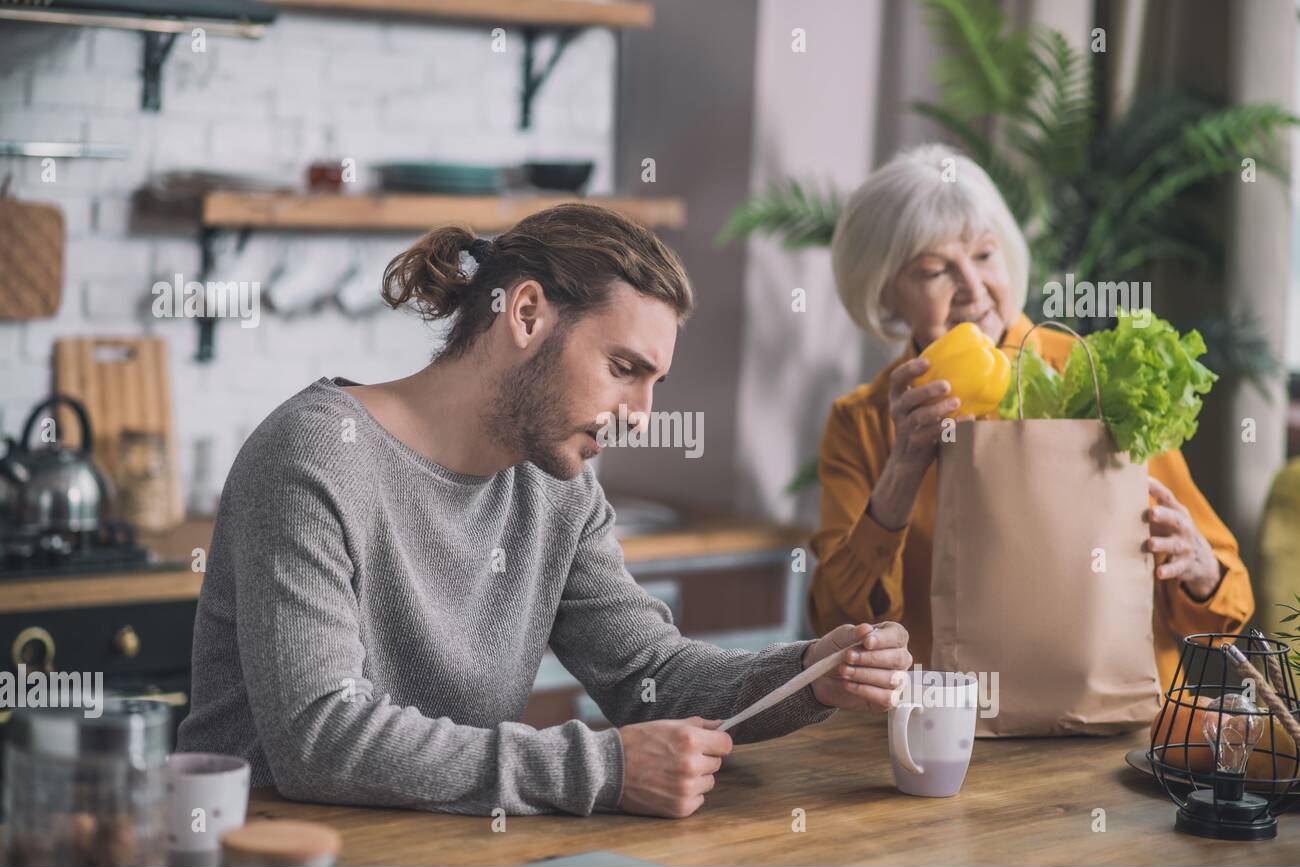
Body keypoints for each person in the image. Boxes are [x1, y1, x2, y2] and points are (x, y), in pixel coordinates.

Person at [178, 203, 913, 819]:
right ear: (526, 313)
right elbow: (320, 741)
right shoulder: (314, 455)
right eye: (623, 369)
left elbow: (648, 673)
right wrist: (600, 768)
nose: (640, 417)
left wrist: (807, 674)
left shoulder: (556, 487)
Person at [810, 145, 1253, 694]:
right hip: (951, 736)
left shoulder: (1096, 376)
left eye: (985, 255)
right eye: (934, 270)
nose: (973, 289)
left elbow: (1223, 611)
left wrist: (1199, 570)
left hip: (1117, 731)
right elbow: (836, 628)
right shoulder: (864, 422)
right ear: (884, 292)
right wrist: (903, 468)